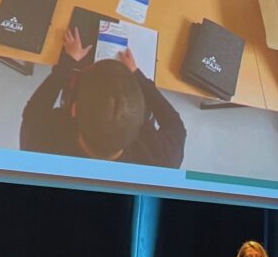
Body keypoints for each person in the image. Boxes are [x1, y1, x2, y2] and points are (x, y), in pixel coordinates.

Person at [20, 27, 185, 167]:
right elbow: (175, 124)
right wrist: (137, 75)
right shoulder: (164, 160)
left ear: (74, 109)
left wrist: (67, 63)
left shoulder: (37, 147)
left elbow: (35, 109)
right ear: (141, 121)